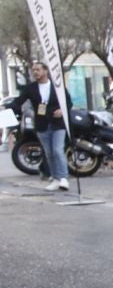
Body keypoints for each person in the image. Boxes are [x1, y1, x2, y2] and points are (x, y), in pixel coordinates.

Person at [27, 61, 70, 192]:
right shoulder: (31, 88)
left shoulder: (57, 86)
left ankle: (63, 178)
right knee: (49, 153)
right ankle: (55, 178)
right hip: (42, 124)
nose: (35, 72)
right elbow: (19, 100)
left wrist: (62, 110)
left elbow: (68, 102)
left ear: (45, 71)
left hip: (58, 123)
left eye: (38, 69)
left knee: (57, 150)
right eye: (34, 70)